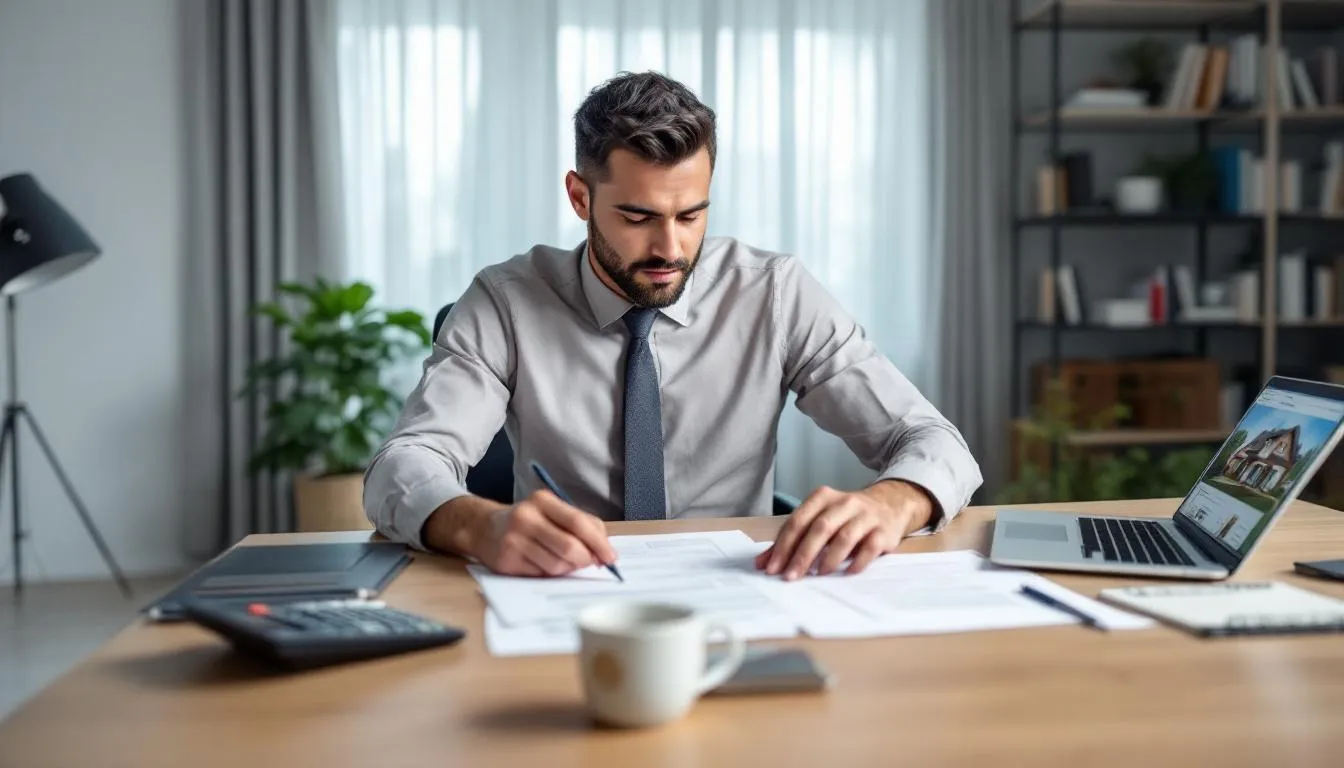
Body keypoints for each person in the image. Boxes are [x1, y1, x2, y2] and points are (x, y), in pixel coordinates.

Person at [363, 71, 982, 581]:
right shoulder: (507, 301)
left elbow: (936, 443)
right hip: (562, 594)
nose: (670, 248)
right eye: (637, 217)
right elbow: (405, 462)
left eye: (691, 214)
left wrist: (889, 503)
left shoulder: (774, 293)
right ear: (580, 198)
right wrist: (479, 523)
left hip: (741, 593)